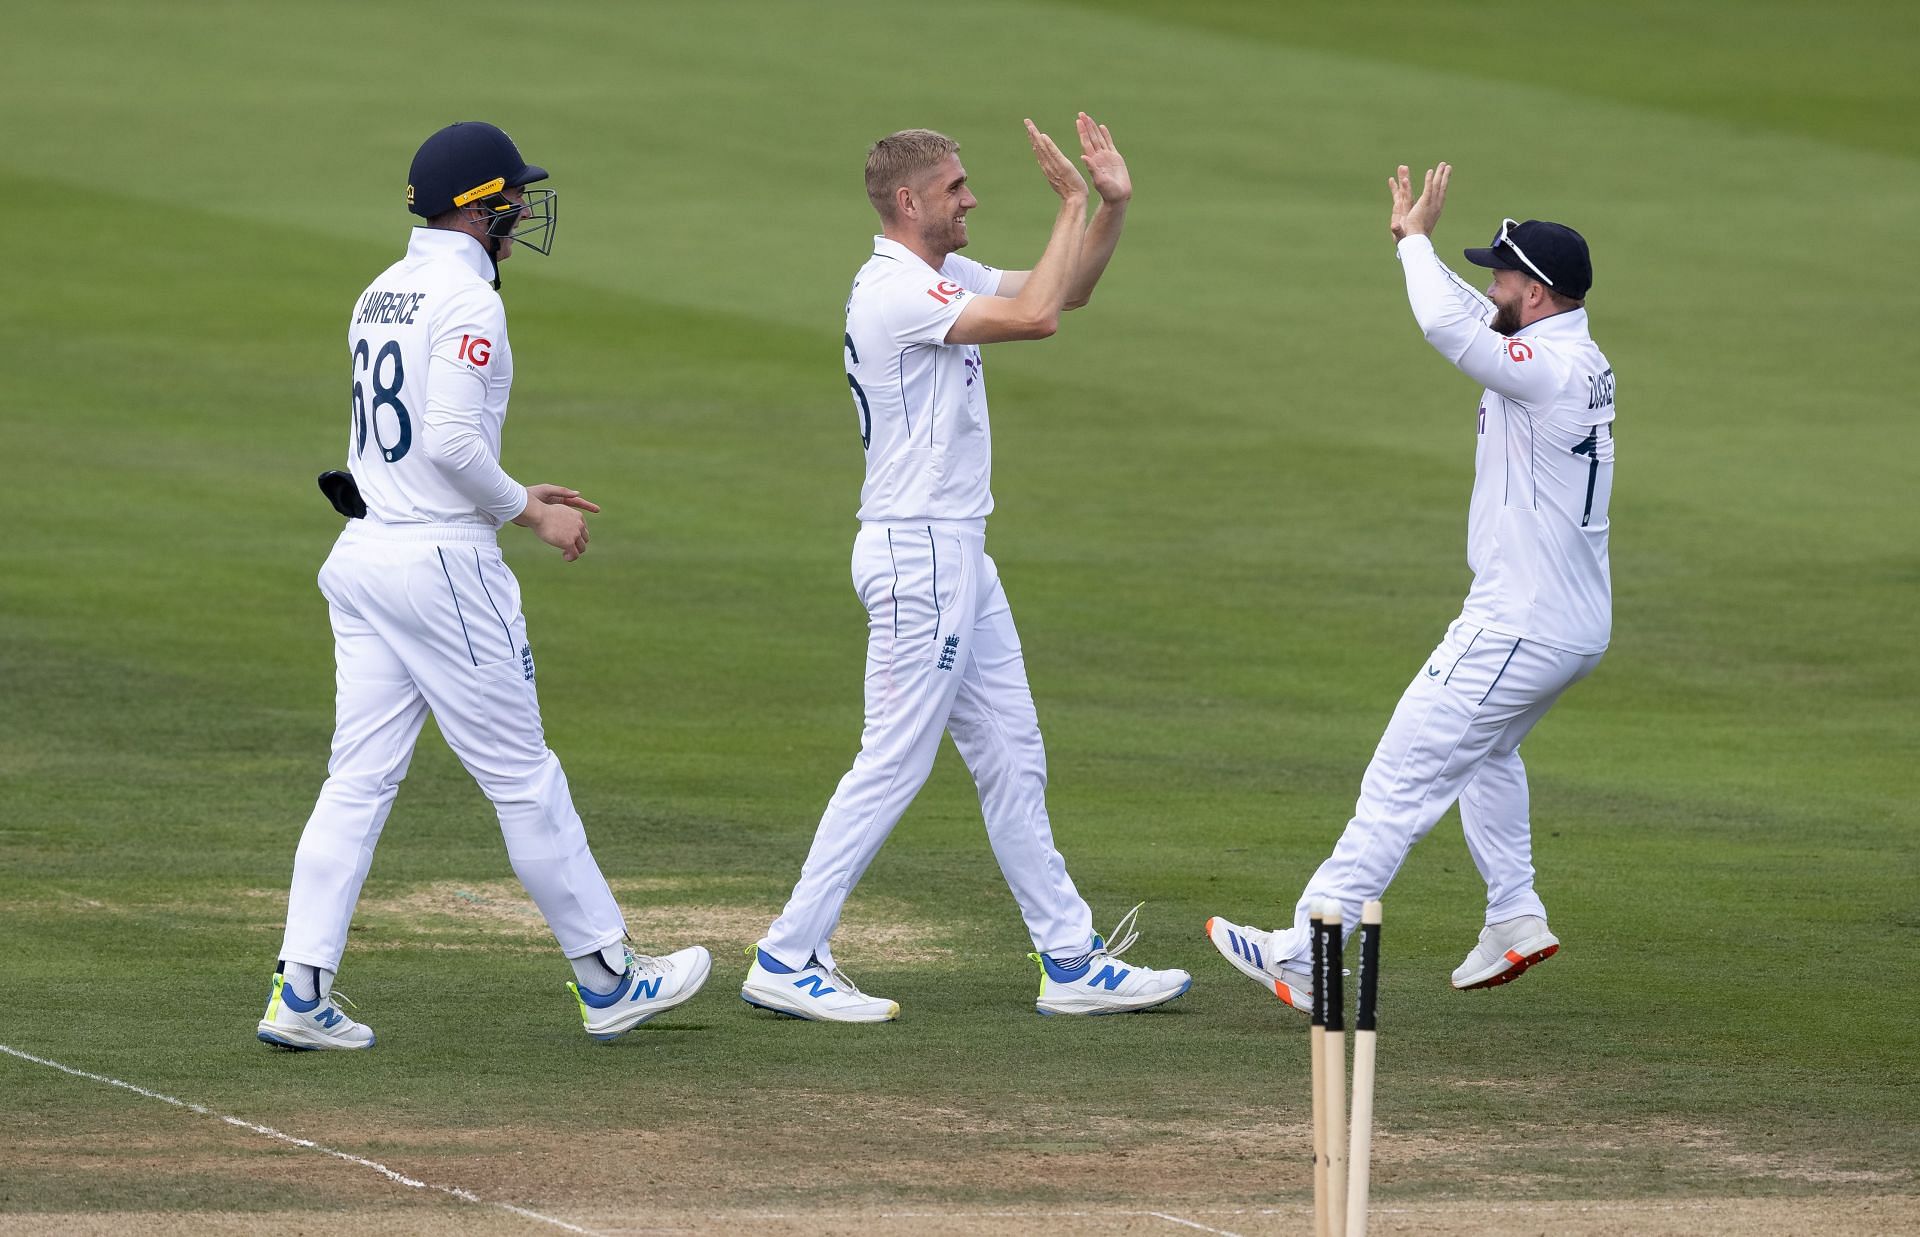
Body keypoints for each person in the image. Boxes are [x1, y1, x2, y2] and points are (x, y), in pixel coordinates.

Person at [256, 122, 710, 1050]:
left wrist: (504, 491)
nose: (522, 212)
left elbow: (407, 445)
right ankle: (609, 979)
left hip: (369, 555)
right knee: (522, 776)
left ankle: (300, 993)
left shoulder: (381, 289)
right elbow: (453, 444)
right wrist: (528, 511)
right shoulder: (469, 299)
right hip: (439, 567)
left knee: (357, 780)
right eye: (512, 197)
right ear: (476, 206)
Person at [740, 116, 1190, 1021]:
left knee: (1012, 751)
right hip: (920, 552)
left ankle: (1068, 956)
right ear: (909, 203)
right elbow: (1038, 319)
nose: (972, 197)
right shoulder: (891, 294)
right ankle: (788, 954)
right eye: (955, 188)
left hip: (957, 552)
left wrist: (1110, 205)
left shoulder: (940, 277)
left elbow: (1072, 289)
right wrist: (1067, 200)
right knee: (894, 760)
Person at [1208, 163, 1616, 1005]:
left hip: (1519, 621)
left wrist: (1418, 248)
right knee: (1486, 753)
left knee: (1402, 774)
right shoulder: (1570, 352)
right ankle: (1514, 914)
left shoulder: (1545, 368)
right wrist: (1412, 243)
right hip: (1566, 624)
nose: (1488, 283)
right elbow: (1471, 317)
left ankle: (1308, 947)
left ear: (1536, 294)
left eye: (1501, 273)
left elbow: (1444, 324)